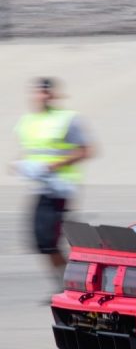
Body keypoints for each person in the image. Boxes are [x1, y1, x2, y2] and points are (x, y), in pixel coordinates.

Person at [12, 78, 93, 292]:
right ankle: (68, 281)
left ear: (54, 95)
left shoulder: (67, 120)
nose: (43, 96)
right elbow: (32, 151)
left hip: (61, 189)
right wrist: (21, 165)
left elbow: (85, 150)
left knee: (48, 240)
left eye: (48, 92)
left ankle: (72, 283)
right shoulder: (27, 121)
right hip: (40, 188)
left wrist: (54, 165)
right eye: (40, 92)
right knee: (42, 242)